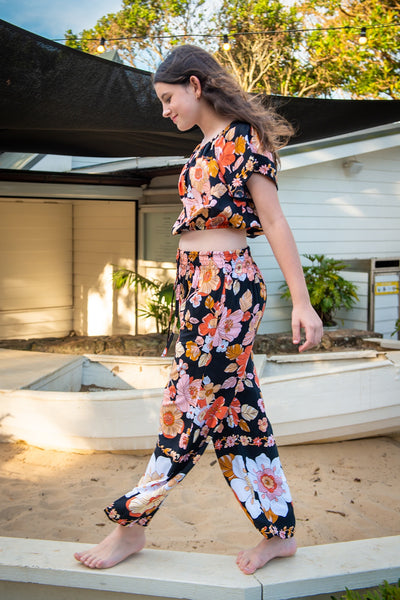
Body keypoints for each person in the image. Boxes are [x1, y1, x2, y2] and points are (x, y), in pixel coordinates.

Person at [74, 44, 323, 575]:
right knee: (238, 416)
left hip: (226, 289)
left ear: (194, 84)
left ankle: (131, 524)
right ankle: (277, 533)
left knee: (185, 406)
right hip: (201, 288)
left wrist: (302, 302)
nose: (165, 111)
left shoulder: (242, 138)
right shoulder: (205, 146)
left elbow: (274, 220)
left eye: (168, 99)